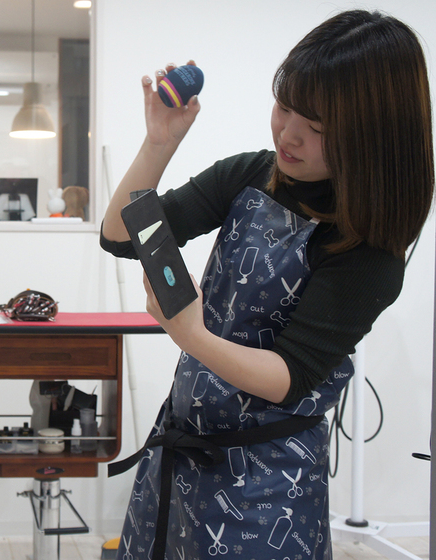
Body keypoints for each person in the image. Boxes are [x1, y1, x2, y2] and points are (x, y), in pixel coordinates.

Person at [101, 10, 433, 560]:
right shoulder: (249, 176)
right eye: (284, 106)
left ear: (375, 139)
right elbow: (120, 235)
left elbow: (289, 377)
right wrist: (158, 144)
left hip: (267, 487)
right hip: (180, 457)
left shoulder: (368, 253)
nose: (288, 134)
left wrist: (191, 334)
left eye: (318, 127)